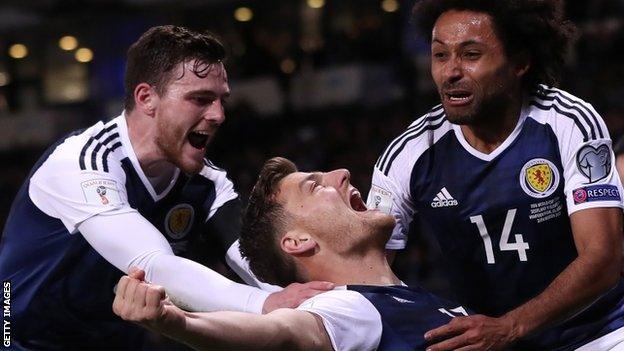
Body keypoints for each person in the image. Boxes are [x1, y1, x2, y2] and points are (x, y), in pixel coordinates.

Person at [0, 26, 328, 350]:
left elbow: (253, 260)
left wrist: (312, 301)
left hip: (117, 341)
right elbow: (155, 265)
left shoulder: (208, 183)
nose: (218, 115)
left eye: (220, 100)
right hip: (19, 340)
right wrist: (265, 302)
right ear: (147, 98)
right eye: (200, 99)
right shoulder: (83, 162)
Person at [368, 0, 624, 350]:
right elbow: (369, 271)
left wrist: (510, 327)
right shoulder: (408, 153)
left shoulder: (569, 122)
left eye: (470, 55)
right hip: (491, 341)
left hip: (599, 333)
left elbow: (604, 257)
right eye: (440, 56)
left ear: (519, 62)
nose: (450, 72)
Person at [112, 157, 475, 351]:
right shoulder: (348, 309)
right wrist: (179, 324)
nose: (342, 173)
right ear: (297, 241)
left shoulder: (409, 299)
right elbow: (280, 334)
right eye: (315, 186)